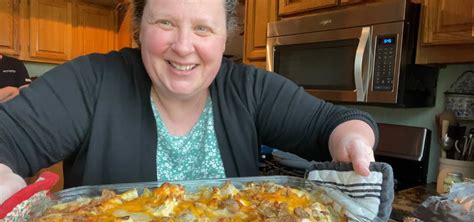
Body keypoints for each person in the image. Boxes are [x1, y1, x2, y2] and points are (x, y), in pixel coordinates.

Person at [0, 0, 378, 204]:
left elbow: (334, 122)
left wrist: (352, 139)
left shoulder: (249, 88)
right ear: (139, 28)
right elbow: (7, 138)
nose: (183, 46)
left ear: (224, 37)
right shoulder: (91, 82)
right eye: (165, 23)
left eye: (202, 28)